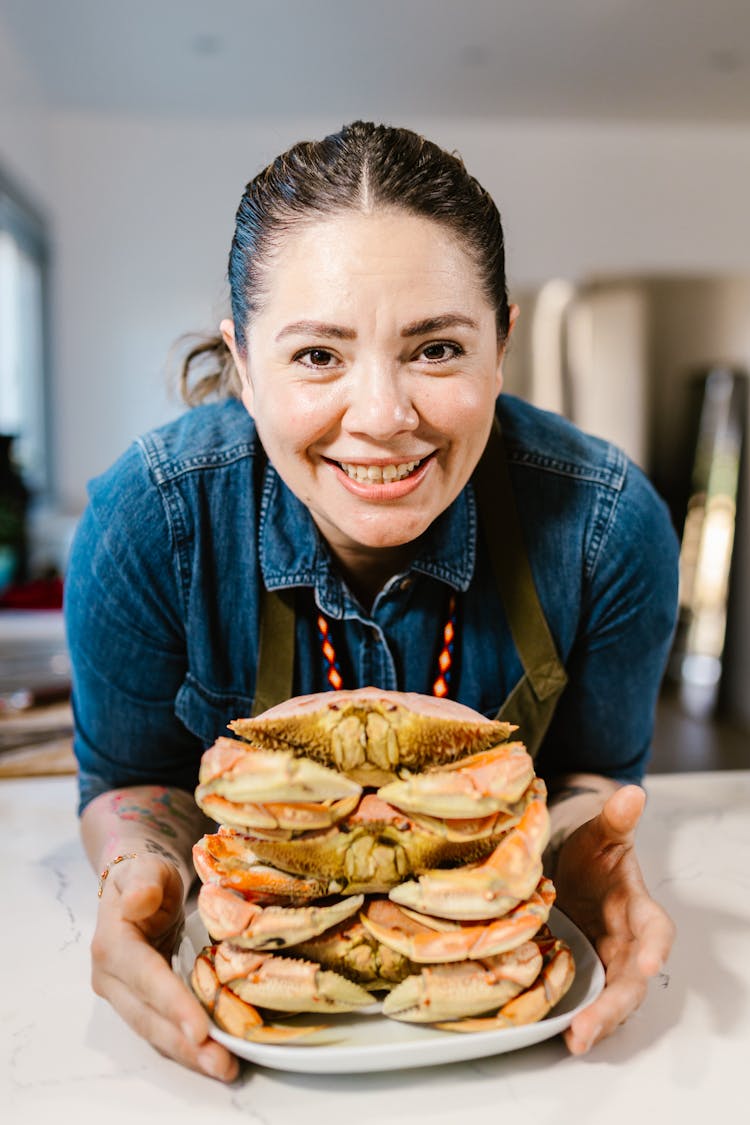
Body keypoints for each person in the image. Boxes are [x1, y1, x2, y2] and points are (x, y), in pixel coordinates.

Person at [65, 121, 679, 1082]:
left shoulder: (608, 530)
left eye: (437, 348)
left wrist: (583, 851)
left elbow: (591, 781)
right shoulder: (146, 526)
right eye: (317, 356)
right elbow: (129, 780)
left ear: (502, 344)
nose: (385, 416)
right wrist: (137, 866)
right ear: (243, 360)